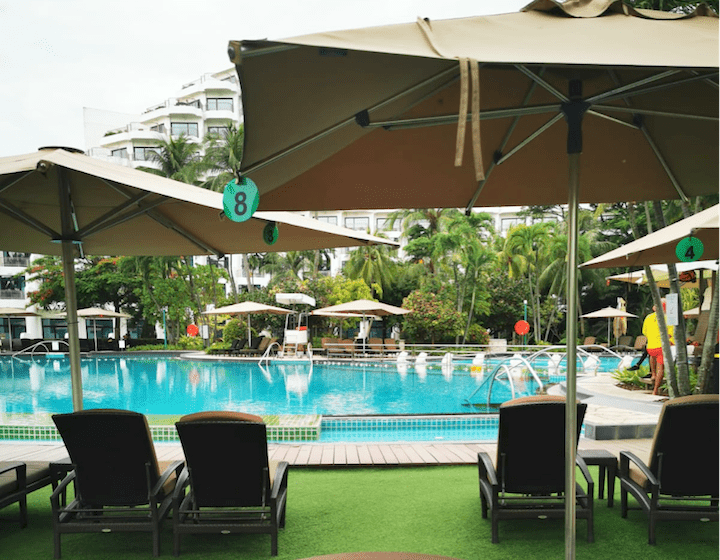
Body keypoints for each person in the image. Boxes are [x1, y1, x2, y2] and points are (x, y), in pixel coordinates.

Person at [642, 299, 674, 395]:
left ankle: (653, 374)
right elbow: (671, 334)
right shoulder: (668, 318)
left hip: (650, 347)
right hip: (661, 347)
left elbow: (644, 332)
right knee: (661, 368)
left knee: (652, 356)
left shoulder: (648, 317)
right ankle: (655, 390)